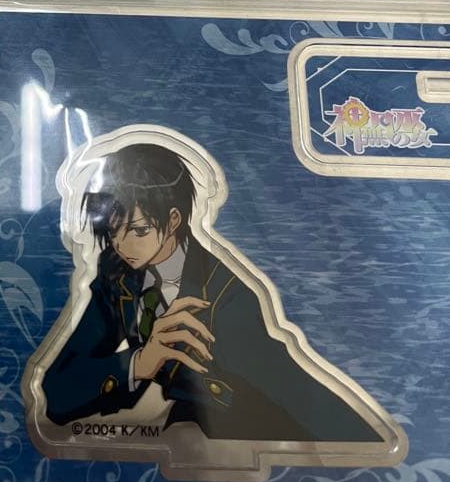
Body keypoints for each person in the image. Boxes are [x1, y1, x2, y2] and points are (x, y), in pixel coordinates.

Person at [41, 141, 385, 443]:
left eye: (139, 230)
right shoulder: (118, 274)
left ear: (173, 220)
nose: (122, 245)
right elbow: (57, 393)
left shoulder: (225, 294)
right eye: (112, 231)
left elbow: (292, 389)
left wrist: (364, 452)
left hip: (239, 434)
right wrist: (140, 362)